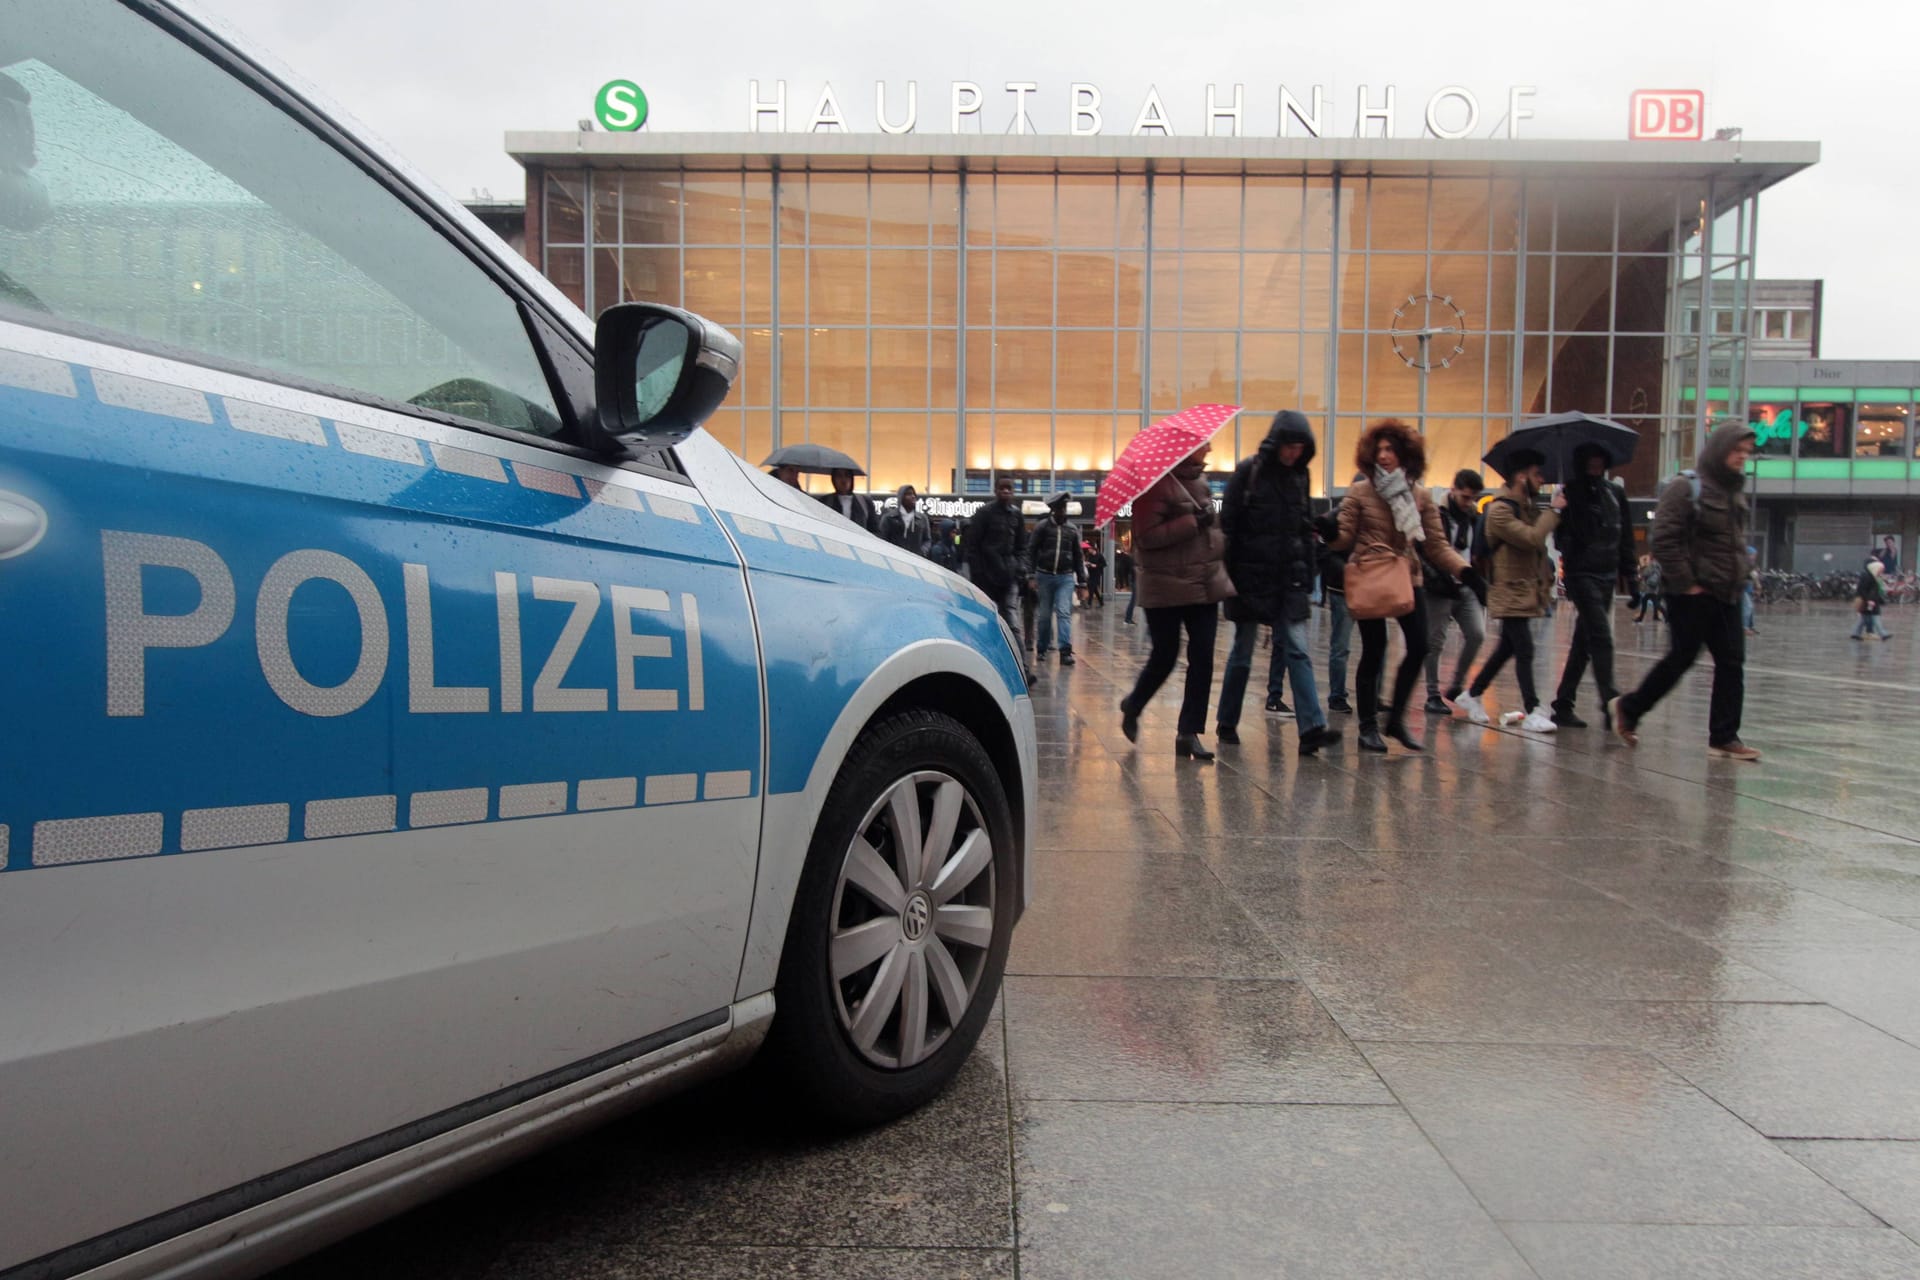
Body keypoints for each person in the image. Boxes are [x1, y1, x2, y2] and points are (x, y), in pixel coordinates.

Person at [1609, 422, 1762, 762]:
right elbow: (1662, 537)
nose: (1742, 458)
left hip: (1728, 592)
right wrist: (1686, 582)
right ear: (1720, 450)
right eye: (1737, 451)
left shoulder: (1733, 490)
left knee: (1732, 662)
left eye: (1746, 453)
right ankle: (1629, 707)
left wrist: (1744, 575)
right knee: (1681, 658)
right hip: (1692, 594)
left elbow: (1734, 543)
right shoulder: (1686, 487)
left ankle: (1724, 737)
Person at [1327, 420, 1475, 753]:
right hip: (1370, 576)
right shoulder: (1361, 491)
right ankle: (1367, 728)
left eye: (1390, 449)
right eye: (1378, 449)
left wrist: (1466, 573)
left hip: (1408, 577)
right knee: (1374, 649)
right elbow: (1344, 538)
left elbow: (1436, 545)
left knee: (1420, 646)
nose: (1383, 455)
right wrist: (1328, 532)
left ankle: (1394, 720)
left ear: (1405, 453)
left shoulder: (1419, 495)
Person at [1216, 411, 1342, 754]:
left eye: (1300, 447)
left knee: (1298, 651)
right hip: (1248, 578)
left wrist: (1308, 568)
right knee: (1241, 653)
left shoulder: (1301, 476)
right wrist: (1231, 578)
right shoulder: (1249, 472)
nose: (1293, 453)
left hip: (1288, 581)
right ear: (1277, 444)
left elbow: (1303, 528)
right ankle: (1227, 720)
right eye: (1289, 446)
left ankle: (1311, 728)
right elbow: (1228, 527)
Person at [1119, 445, 1235, 761]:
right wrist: (1193, 523)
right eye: (1203, 445)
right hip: (1165, 587)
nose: (1210, 448)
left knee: (1203, 657)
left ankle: (1189, 733)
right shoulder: (1153, 486)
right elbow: (1145, 537)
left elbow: (1208, 533)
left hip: (1202, 584)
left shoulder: (1200, 482)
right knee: (1165, 656)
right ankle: (1134, 704)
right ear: (1186, 451)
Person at [1454, 451, 1566, 733]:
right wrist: (1555, 510)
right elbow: (1531, 538)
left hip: (1524, 590)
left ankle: (1473, 693)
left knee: (1507, 648)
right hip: (1508, 590)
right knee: (1525, 648)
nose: (1542, 480)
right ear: (1521, 476)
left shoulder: (1525, 508)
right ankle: (1532, 710)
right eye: (1537, 474)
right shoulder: (1500, 510)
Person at [1549, 444, 1637, 728]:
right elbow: (1560, 540)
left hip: (1606, 574)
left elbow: (1625, 538)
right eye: (1591, 460)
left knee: (1584, 642)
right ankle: (1611, 701)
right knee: (1600, 634)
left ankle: (1563, 703)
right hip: (1581, 573)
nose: (1596, 464)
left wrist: (1631, 577)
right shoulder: (1570, 494)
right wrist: (1569, 518)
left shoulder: (1615, 493)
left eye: (1600, 459)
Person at [1423, 469, 1488, 715]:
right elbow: (1430, 550)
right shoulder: (1437, 515)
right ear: (1453, 490)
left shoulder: (1473, 518)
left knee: (1477, 634)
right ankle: (1432, 693)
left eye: (1472, 498)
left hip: (1466, 585)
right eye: (1464, 497)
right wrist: (1436, 579)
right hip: (1440, 585)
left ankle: (1457, 685)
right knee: (1435, 641)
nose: (1468, 502)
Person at [966, 477, 1032, 677]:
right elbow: (972, 546)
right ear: (995, 490)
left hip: (1009, 577)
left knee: (1012, 621)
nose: (1006, 491)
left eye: (1009, 488)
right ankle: (984, 664)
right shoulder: (984, 514)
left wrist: (1020, 567)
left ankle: (1024, 670)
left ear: (1013, 491)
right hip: (986, 577)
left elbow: (1022, 547)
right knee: (985, 621)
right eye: (1002, 488)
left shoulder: (1017, 516)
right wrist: (978, 574)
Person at [1030, 491, 1086, 667]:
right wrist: (1030, 576)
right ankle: (1042, 647)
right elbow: (1031, 552)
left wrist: (1082, 583)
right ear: (1053, 509)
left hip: (1065, 577)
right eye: (1059, 508)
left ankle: (1065, 651)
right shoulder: (1042, 527)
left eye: (1064, 507)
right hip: (1044, 576)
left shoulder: (1072, 530)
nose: (1062, 511)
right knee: (1045, 616)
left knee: (1063, 612)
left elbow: (1078, 557)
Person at [1316, 528, 1353, 714]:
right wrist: (1347, 571)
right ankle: (1337, 695)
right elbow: (1324, 552)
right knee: (1341, 646)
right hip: (1342, 590)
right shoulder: (1339, 517)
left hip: (1371, 588)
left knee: (1379, 646)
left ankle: (1374, 696)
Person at [878, 484, 933, 557]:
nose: (913, 496)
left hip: (916, 560)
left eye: (914, 494)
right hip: (895, 559)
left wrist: (923, 551)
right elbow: (882, 539)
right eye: (908, 494)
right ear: (901, 497)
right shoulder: (889, 518)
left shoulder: (922, 518)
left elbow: (927, 540)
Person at [818, 468, 878, 532]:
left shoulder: (864, 502)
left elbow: (874, 529)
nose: (843, 480)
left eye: (847, 475)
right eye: (839, 476)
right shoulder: (825, 502)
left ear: (852, 479)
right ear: (833, 479)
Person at [1853, 558, 1891, 641]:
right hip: (1868, 601)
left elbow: (1875, 591)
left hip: (1872, 601)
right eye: (1880, 569)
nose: (1881, 571)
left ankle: (1855, 633)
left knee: (1864, 619)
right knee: (1875, 617)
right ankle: (1883, 634)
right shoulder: (1867, 576)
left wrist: (1880, 600)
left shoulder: (1874, 576)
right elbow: (1862, 590)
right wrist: (1868, 600)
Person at [1635, 555, 1665, 622]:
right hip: (1655, 586)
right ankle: (1653, 616)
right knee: (1651, 602)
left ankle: (1666, 615)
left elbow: (1646, 573)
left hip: (1649, 586)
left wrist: (1641, 576)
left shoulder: (1652, 564)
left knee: (1651, 602)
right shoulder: (1659, 565)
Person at [1084, 541, 1108, 607]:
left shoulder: (1099, 555)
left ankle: (1089, 604)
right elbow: (1089, 562)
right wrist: (1087, 564)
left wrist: (1096, 565)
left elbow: (1104, 564)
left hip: (1097, 574)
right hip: (1091, 574)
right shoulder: (1089, 555)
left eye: (1089, 548)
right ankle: (1101, 602)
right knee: (1094, 589)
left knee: (1091, 588)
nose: (1088, 550)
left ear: (1093, 549)